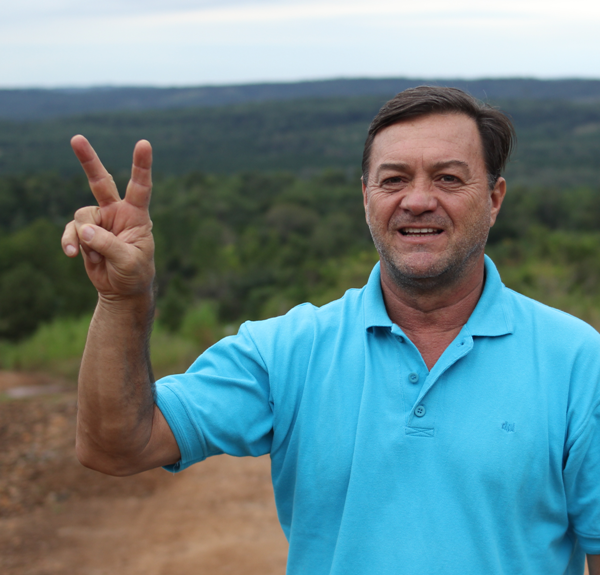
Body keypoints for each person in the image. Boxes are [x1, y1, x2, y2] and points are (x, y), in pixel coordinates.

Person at [61, 86, 600, 574]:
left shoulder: (578, 362)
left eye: (448, 178)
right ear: (365, 197)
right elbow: (116, 448)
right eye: (393, 179)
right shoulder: (287, 352)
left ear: (495, 198)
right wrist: (122, 300)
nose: (417, 199)